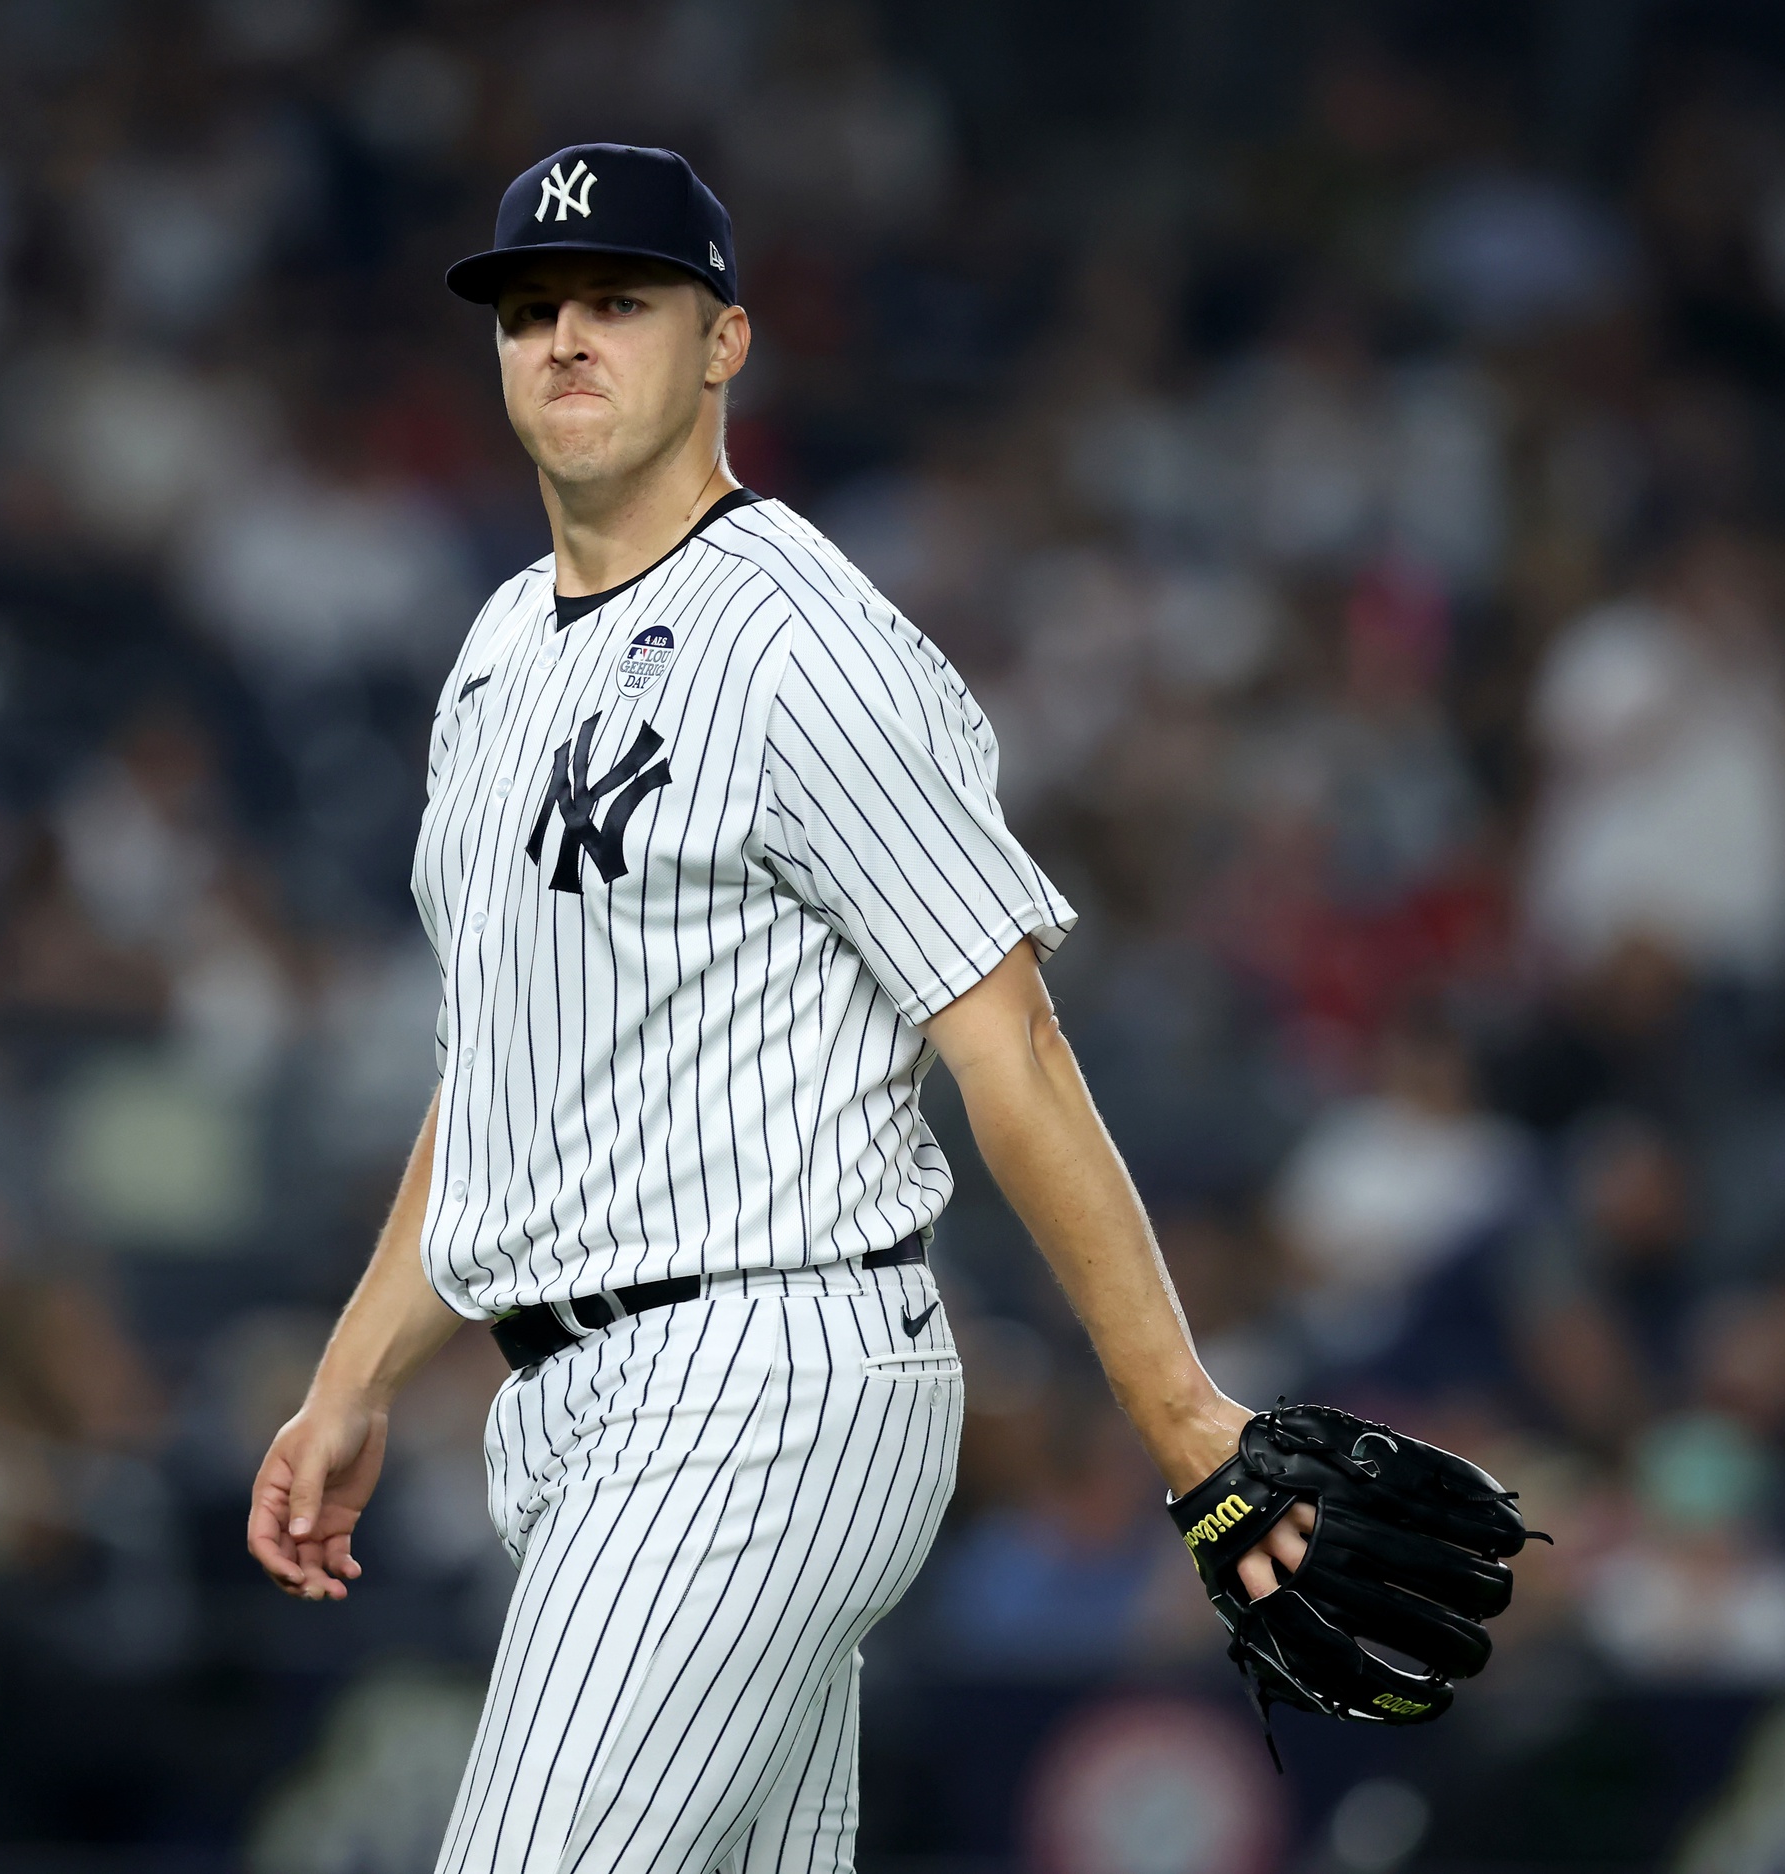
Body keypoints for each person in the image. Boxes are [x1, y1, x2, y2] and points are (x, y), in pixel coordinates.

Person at [245, 144, 1306, 1874]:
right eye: (531, 310)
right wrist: (355, 1370)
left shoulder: (803, 644)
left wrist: (1188, 1421)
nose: (567, 339)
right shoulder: (503, 645)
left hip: (761, 1378)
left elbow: (1011, 1046)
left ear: (724, 342)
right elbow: (505, 1061)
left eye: (619, 303)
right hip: (586, 1405)